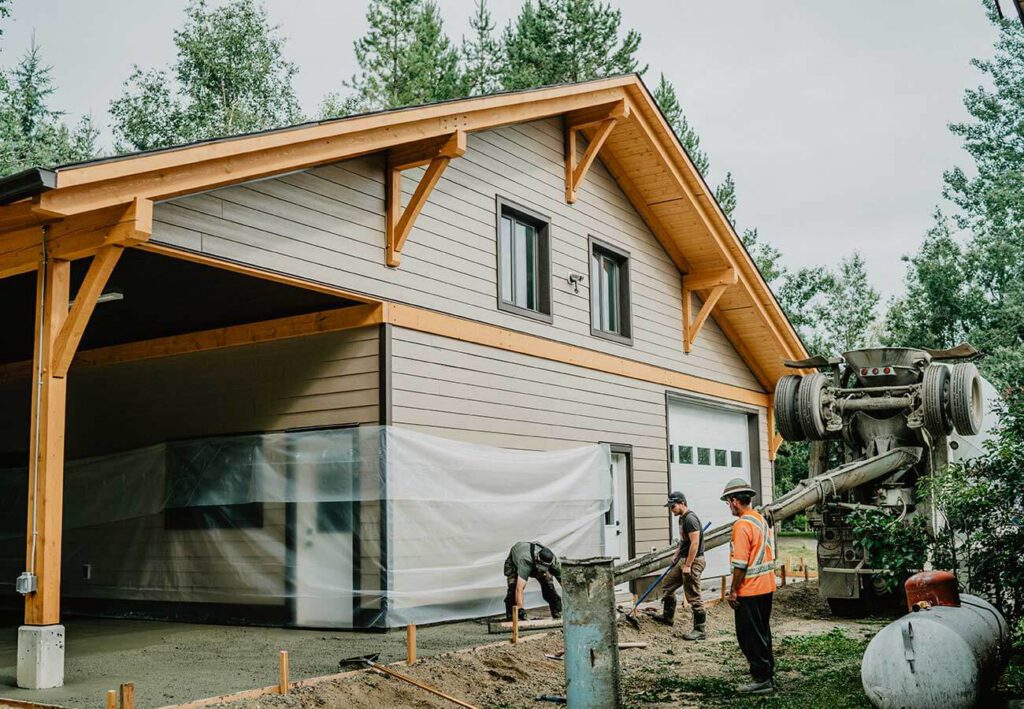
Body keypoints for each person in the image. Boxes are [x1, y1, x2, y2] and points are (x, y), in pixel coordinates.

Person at [722, 477, 776, 695]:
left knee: (749, 635)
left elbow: (741, 563)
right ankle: (767, 672)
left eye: (728, 502)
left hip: (750, 589)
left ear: (735, 501)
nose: (728, 506)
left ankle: (761, 678)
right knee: (762, 632)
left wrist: (733, 590)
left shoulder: (742, 525)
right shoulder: (760, 520)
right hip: (766, 587)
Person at [649, 491, 707, 640]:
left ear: (682, 503)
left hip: (694, 560)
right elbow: (685, 541)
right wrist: (677, 552)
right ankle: (668, 617)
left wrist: (688, 565)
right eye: (670, 506)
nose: (671, 509)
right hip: (683, 558)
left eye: (673, 506)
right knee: (667, 584)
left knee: (693, 594)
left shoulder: (690, 519)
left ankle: (700, 630)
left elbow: (695, 543)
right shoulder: (681, 518)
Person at [503, 541, 562, 621]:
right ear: (537, 558)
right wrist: (520, 609)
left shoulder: (554, 562)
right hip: (516, 562)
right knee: (513, 589)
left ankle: (557, 611)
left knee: (548, 586)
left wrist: (568, 602)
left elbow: (565, 583)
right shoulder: (525, 560)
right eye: (540, 567)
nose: (541, 570)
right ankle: (512, 617)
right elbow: (519, 588)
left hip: (538, 561)